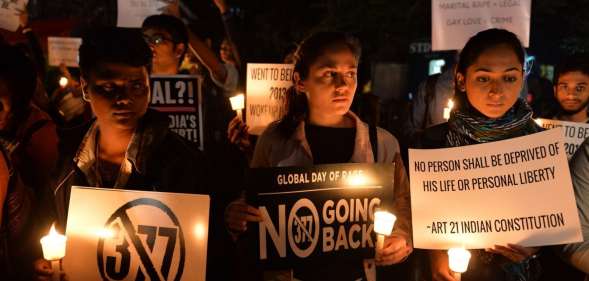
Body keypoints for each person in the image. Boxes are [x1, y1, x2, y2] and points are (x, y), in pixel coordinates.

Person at [225, 31, 412, 281]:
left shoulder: (382, 143)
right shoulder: (275, 139)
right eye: (329, 74)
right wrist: (237, 215)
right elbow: (252, 203)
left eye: (350, 74)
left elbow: (404, 207)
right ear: (300, 81)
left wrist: (401, 239)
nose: (343, 85)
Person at [33, 27, 209, 279]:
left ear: (149, 84)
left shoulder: (184, 164)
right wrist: (46, 265)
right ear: (85, 87)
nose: (124, 99)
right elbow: (46, 227)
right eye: (108, 87)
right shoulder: (62, 159)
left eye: (136, 86)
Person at [420, 28, 542, 281]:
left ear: (522, 78)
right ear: (462, 80)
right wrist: (434, 251)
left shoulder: (540, 146)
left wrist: (538, 245)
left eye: (509, 79)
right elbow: (409, 217)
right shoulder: (430, 145)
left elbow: (558, 223)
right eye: (484, 78)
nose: (497, 92)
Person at [551, 54, 589, 123]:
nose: (571, 95)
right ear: (555, 90)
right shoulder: (536, 127)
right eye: (564, 87)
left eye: (580, 88)